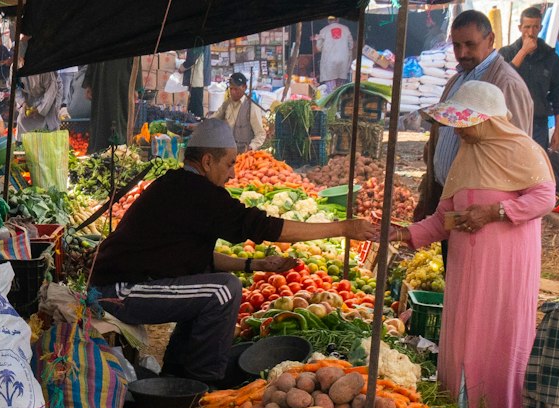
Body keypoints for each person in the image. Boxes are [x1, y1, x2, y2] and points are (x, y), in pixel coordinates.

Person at [89, 117, 372, 384]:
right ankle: (203, 382)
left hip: (123, 286)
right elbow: (266, 227)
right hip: (119, 292)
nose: (232, 172)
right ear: (208, 161)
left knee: (207, 285)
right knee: (224, 291)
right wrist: (343, 228)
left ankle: (176, 374)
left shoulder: (179, 186)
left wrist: (257, 265)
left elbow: (194, 258)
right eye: (229, 164)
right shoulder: (197, 194)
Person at [392, 81, 554, 408]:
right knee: (466, 336)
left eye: (466, 123)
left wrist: (497, 211)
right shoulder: (465, 157)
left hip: (507, 268)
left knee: (505, 334)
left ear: (489, 120)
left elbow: (545, 198)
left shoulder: (524, 150)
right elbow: (443, 218)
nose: (459, 131)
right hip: (467, 269)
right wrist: (403, 234)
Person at [416, 11, 533, 224]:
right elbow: (440, 137)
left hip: (479, 212)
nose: (462, 53)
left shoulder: (506, 84)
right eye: (456, 45)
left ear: (490, 40)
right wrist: (428, 193)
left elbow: (518, 153)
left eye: (470, 44)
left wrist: (494, 211)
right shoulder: (457, 81)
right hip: (450, 201)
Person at [503, 7, 559, 150]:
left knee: (536, 167)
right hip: (511, 122)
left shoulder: (550, 57)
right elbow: (502, 81)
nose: (531, 33)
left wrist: (557, 130)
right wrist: (523, 51)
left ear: (541, 28)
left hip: (538, 124)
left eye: (535, 27)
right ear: (520, 28)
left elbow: (558, 95)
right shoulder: (507, 53)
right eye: (527, 27)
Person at [214, 72, 269, 151]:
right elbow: (214, 119)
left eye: (236, 89)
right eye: (231, 88)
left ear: (244, 87)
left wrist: (252, 147)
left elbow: (260, 134)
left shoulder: (251, 107)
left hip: (243, 154)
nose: (233, 92)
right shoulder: (227, 104)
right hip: (227, 151)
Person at [317, 20, 355, 89]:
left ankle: (332, 98)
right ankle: (338, 98)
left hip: (329, 62)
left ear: (328, 21)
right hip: (343, 61)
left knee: (331, 90)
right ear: (338, 19)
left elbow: (318, 47)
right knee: (339, 89)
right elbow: (351, 45)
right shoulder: (346, 29)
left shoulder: (324, 30)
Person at [185, 49, 208, 116]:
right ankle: (194, 121)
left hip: (197, 78)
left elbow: (192, 59)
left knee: (196, 104)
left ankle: (198, 123)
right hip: (197, 79)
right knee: (193, 103)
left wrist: (183, 67)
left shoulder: (199, 42)